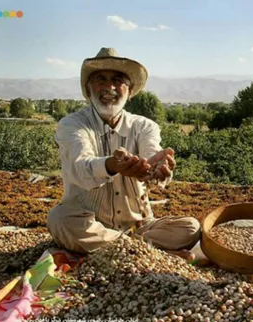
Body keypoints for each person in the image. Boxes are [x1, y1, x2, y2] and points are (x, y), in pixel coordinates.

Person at [47, 47, 201, 261]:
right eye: (100, 79)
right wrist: (111, 165)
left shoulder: (144, 126)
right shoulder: (72, 125)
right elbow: (81, 166)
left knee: (190, 227)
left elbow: (152, 154)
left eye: (118, 80)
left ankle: (120, 248)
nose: (109, 87)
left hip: (140, 226)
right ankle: (149, 252)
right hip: (89, 222)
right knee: (59, 219)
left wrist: (157, 169)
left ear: (129, 92)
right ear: (89, 90)